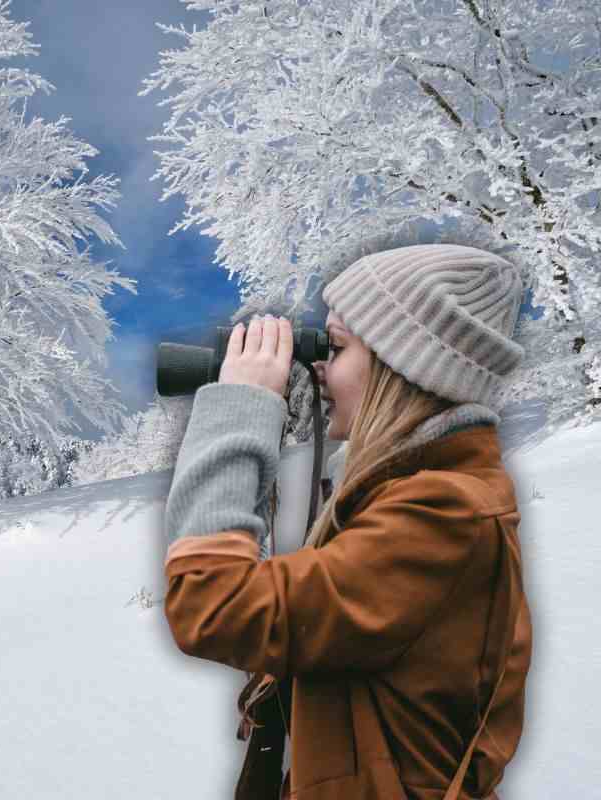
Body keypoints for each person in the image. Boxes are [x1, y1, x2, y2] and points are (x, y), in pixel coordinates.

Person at [162, 244, 533, 800]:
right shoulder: (416, 500)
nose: (316, 366)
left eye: (334, 347)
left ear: (400, 367)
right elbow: (296, 626)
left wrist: (238, 408)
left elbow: (211, 604)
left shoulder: (444, 514)